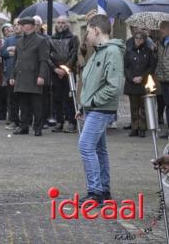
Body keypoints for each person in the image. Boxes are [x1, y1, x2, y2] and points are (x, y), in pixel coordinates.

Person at [77, 14, 125, 205]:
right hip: (94, 107)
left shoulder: (111, 52)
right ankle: (103, 189)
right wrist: (84, 105)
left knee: (86, 146)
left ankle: (95, 191)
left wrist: (93, 102)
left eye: (87, 32)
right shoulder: (99, 51)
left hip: (100, 108)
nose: (86, 36)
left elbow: (113, 86)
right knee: (99, 149)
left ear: (96, 30)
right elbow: (92, 83)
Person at [10, 17, 50, 136]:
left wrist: (41, 76)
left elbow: (44, 60)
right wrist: (13, 76)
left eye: (23, 24)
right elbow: (16, 60)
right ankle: (24, 126)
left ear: (31, 26)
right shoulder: (19, 41)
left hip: (34, 76)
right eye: (20, 24)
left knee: (36, 104)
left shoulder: (40, 40)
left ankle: (37, 127)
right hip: (22, 77)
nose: (21, 26)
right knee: (23, 104)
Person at [50, 15, 80, 133]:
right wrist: (55, 69)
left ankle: (72, 122)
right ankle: (59, 121)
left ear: (67, 24)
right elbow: (49, 55)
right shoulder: (51, 39)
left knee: (69, 97)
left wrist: (65, 69)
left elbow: (73, 54)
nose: (61, 25)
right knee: (56, 97)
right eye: (58, 22)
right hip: (56, 72)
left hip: (69, 72)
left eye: (63, 22)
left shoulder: (73, 38)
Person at [124, 32, 156, 138]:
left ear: (144, 39)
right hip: (132, 83)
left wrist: (142, 77)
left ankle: (142, 128)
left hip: (143, 82)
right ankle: (134, 127)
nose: (138, 40)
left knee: (143, 107)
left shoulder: (148, 51)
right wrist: (132, 78)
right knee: (134, 107)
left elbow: (151, 67)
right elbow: (126, 67)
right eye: (136, 38)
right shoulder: (129, 51)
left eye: (140, 38)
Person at [1, 19, 22, 130]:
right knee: (12, 99)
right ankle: (14, 120)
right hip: (10, 73)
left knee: (23, 99)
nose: (16, 27)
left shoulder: (25, 39)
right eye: (14, 25)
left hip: (23, 74)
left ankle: (24, 121)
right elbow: (2, 53)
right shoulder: (9, 40)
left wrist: (15, 51)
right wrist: (10, 51)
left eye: (18, 24)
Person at [156, 19, 169, 139]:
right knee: (167, 105)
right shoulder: (160, 43)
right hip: (163, 79)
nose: (161, 31)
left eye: (163, 28)